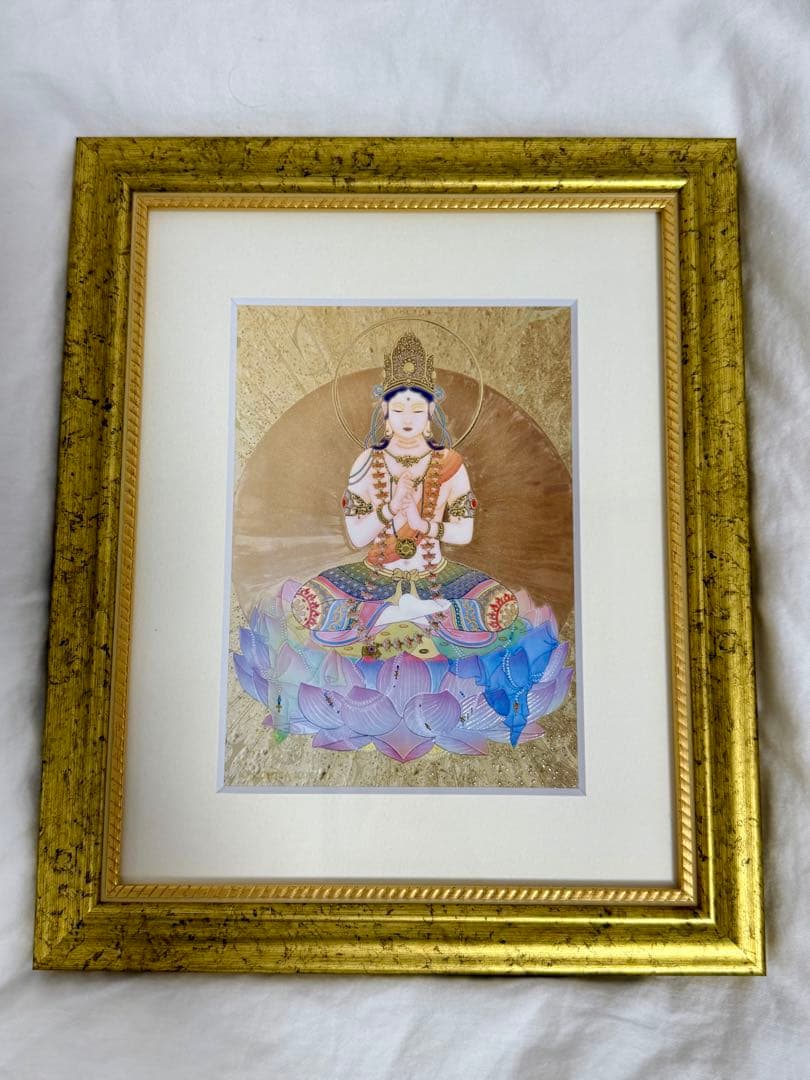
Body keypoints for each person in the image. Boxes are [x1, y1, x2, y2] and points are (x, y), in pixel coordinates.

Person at [291, 332, 519, 659]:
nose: (408, 419)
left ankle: (396, 615)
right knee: (308, 603)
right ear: (385, 412)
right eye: (398, 409)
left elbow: (464, 534)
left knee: (500, 606)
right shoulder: (367, 462)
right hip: (376, 576)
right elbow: (357, 538)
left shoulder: (450, 463)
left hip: (435, 574)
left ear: (430, 413)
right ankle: (413, 614)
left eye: (417, 409)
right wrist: (390, 509)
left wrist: (421, 524)